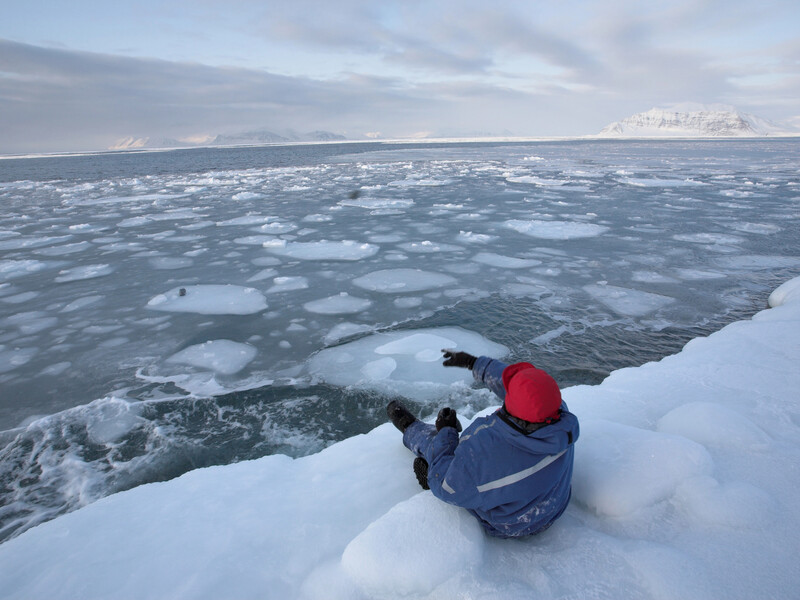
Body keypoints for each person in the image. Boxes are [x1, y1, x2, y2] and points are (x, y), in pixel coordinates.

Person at [386, 350, 579, 538]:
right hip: (553, 506)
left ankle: (411, 430)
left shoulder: (486, 453)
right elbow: (524, 392)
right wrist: (473, 362)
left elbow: (447, 488)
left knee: (441, 451)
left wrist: (447, 430)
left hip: (511, 523)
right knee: (467, 464)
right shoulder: (559, 416)